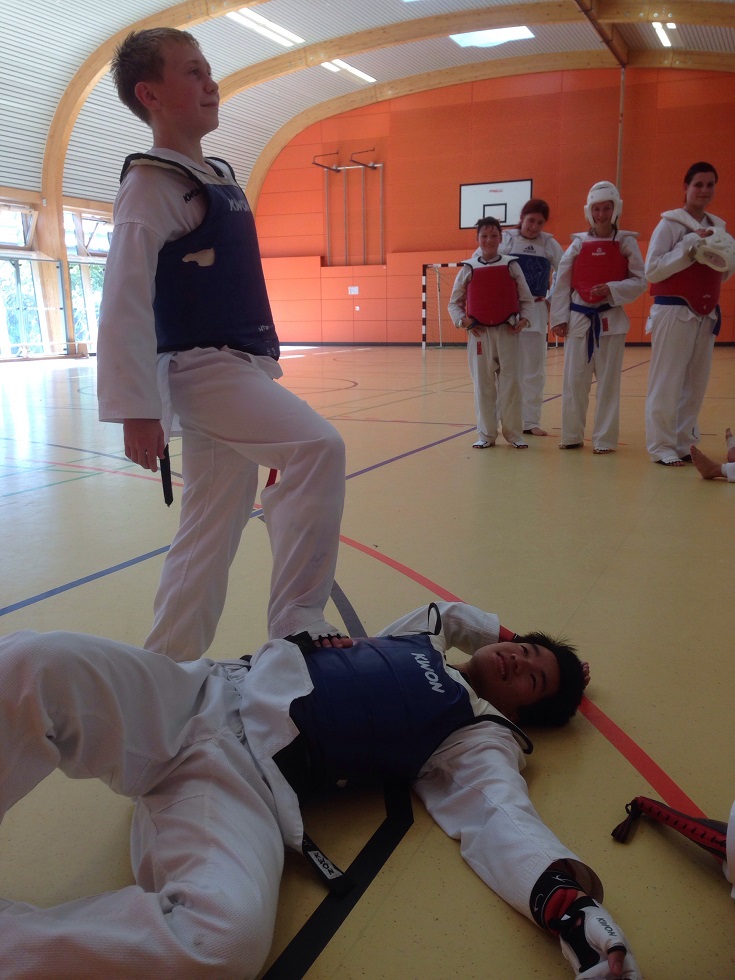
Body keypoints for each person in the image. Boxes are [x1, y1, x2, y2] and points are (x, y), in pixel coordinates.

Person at [0, 601, 639, 979]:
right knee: (36, 663)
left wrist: (568, 906)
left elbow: (500, 813)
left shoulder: (475, 736)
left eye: (531, 679)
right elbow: (455, 614)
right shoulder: (419, 635)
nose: (517, 661)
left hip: (243, 786)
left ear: (521, 713)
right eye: (523, 649)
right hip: (197, 694)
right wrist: (513, 638)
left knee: (221, 943)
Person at [96, 28, 346, 662]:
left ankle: (164, 669)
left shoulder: (218, 177)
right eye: (192, 72)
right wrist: (136, 409)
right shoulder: (149, 185)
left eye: (208, 70)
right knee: (317, 447)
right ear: (150, 94)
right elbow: (124, 299)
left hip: (238, 367)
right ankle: (298, 620)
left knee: (207, 534)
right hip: (202, 368)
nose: (211, 83)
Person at [644, 163, 735, 466]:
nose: (704, 190)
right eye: (698, 184)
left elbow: (722, 273)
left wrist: (725, 254)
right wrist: (688, 245)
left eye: (710, 184)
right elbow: (652, 270)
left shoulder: (719, 226)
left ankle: (684, 442)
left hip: (706, 313)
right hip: (673, 310)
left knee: (696, 384)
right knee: (667, 381)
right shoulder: (670, 224)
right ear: (686, 187)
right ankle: (661, 446)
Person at [551, 182, 646, 454]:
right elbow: (561, 282)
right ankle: (571, 435)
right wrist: (558, 318)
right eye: (596, 209)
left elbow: (640, 281)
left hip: (610, 320)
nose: (601, 214)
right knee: (574, 381)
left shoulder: (626, 242)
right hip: (579, 318)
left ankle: (604, 440)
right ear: (588, 211)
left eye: (606, 208)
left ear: (616, 210)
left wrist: (612, 289)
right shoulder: (578, 243)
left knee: (608, 384)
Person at [448, 217, 535, 449]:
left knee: (512, 384)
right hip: (479, 335)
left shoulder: (511, 265)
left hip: (508, 332)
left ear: (500, 238)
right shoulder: (468, 268)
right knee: (483, 386)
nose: (489, 240)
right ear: (477, 239)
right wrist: (463, 321)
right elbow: (454, 303)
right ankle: (486, 434)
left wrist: (524, 319)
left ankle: (514, 434)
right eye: (484, 236)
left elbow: (526, 299)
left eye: (494, 235)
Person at [500, 199, 564, 436]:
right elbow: (484, 264)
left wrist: (551, 298)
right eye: (531, 220)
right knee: (505, 370)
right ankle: (500, 419)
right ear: (522, 218)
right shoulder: (506, 239)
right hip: (508, 312)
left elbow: (566, 271)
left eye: (539, 223)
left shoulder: (548, 243)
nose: (534, 227)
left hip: (536, 311)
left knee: (534, 371)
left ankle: (530, 421)